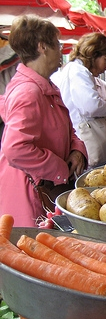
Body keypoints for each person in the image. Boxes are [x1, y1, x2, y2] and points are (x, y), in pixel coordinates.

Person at [0, 15, 87, 226]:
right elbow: (15, 148)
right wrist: (58, 168)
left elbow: (66, 129)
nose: (62, 51)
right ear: (42, 47)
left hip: (45, 188)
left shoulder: (45, 87)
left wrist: (77, 150)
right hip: (30, 194)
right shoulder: (29, 92)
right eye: (57, 45)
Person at [56, 32, 106, 168]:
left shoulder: (74, 70)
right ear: (94, 54)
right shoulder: (78, 71)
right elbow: (92, 106)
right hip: (84, 138)